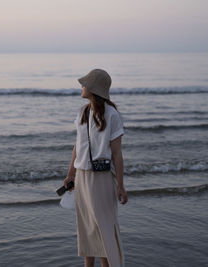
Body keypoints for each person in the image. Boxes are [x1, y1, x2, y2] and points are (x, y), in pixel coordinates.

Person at [63, 69, 128, 267]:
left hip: (102, 178)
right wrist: (70, 174)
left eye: (85, 84)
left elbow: (117, 154)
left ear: (94, 89)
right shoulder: (82, 112)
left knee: (103, 229)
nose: (81, 87)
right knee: (86, 228)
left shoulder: (112, 115)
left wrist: (121, 186)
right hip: (82, 177)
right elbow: (78, 146)